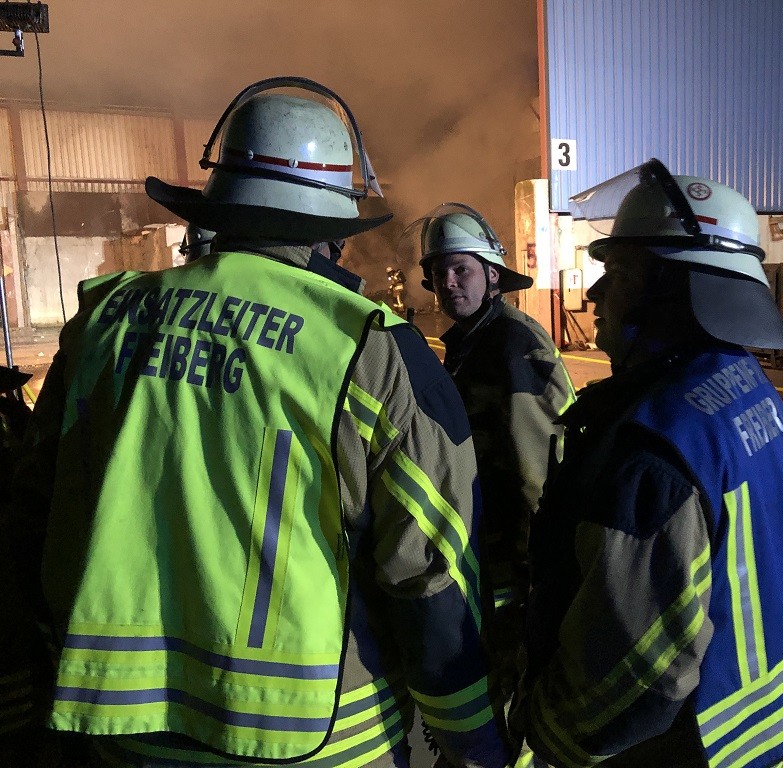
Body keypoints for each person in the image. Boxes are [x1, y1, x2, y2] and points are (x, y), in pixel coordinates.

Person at [18, 77, 509, 768]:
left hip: (123, 729)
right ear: (333, 234)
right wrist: (473, 738)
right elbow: (428, 569)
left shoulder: (103, 322)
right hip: (322, 740)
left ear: (217, 209)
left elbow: (35, 509)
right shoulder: (369, 347)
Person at [517, 160, 783, 767]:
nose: (594, 294)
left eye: (619, 274)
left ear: (671, 293)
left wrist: (546, 731)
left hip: (679, 744)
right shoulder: (739, 379)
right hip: (744, 728)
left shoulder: (654, 450)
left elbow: (643, 663)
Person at [413, 203, 576, 741]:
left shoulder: (511, 345)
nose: (448, 283)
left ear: (492, 274)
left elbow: (538, 475)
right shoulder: (475, 340)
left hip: (517, 559)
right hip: (492, 548)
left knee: (512, 684)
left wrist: (540, 577)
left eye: (461, 269)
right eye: (440, 272)